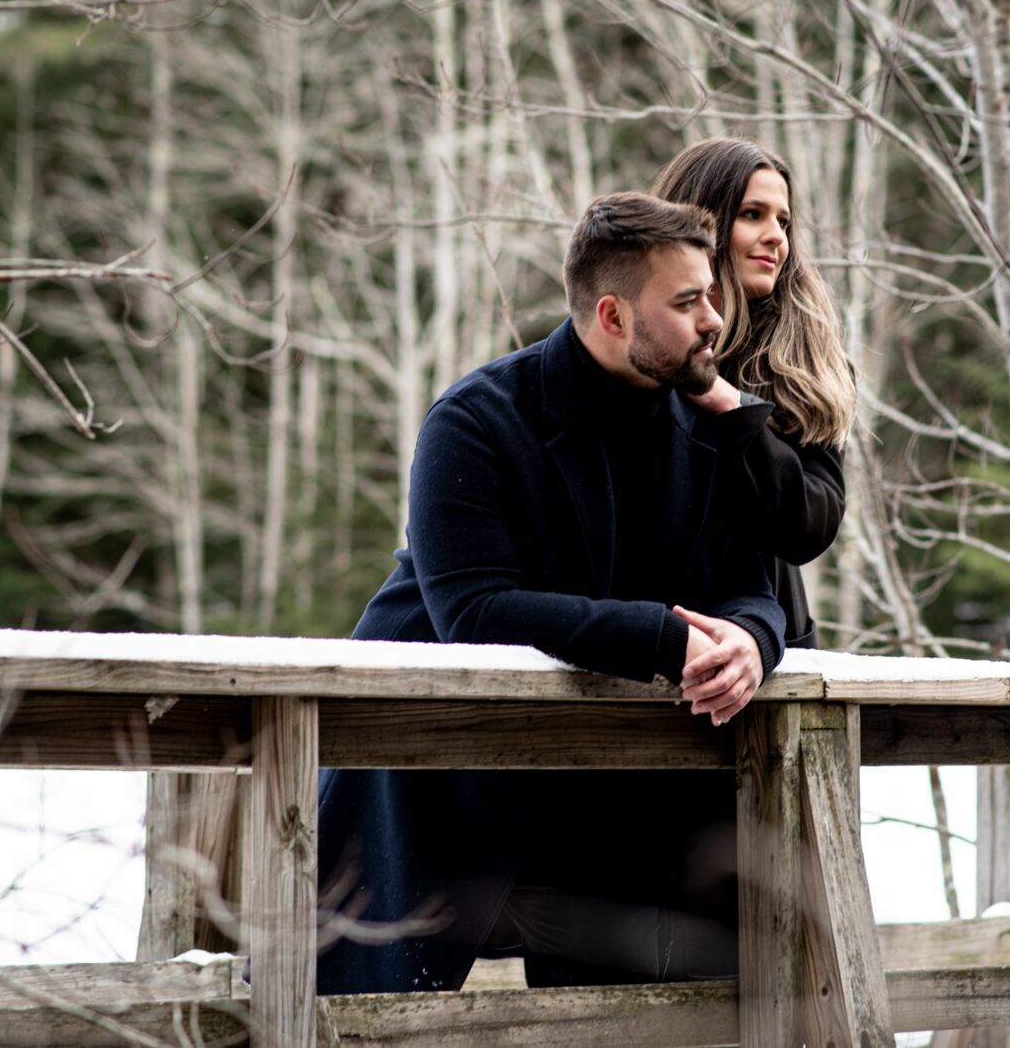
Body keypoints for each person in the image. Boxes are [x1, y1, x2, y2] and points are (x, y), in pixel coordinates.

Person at [315, 192, 788, 995]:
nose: (715, 319)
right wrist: (667, 639)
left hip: (606, 799)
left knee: (653, 1004)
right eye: (687, 302)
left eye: (711, 295)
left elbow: (751, 586)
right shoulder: (475, 419)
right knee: (362, 1023)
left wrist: (751, 640)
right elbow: (474, 611)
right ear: (612, 315)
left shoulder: (703, 427)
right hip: (433, 775)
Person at [649, 137, 856, 649]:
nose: (776, 237)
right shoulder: (639, 345)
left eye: (783, 221)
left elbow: (809, 527)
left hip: (767, 647)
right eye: (752, 215)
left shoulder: (803, 365)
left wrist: (732, 409)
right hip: (645, 636)